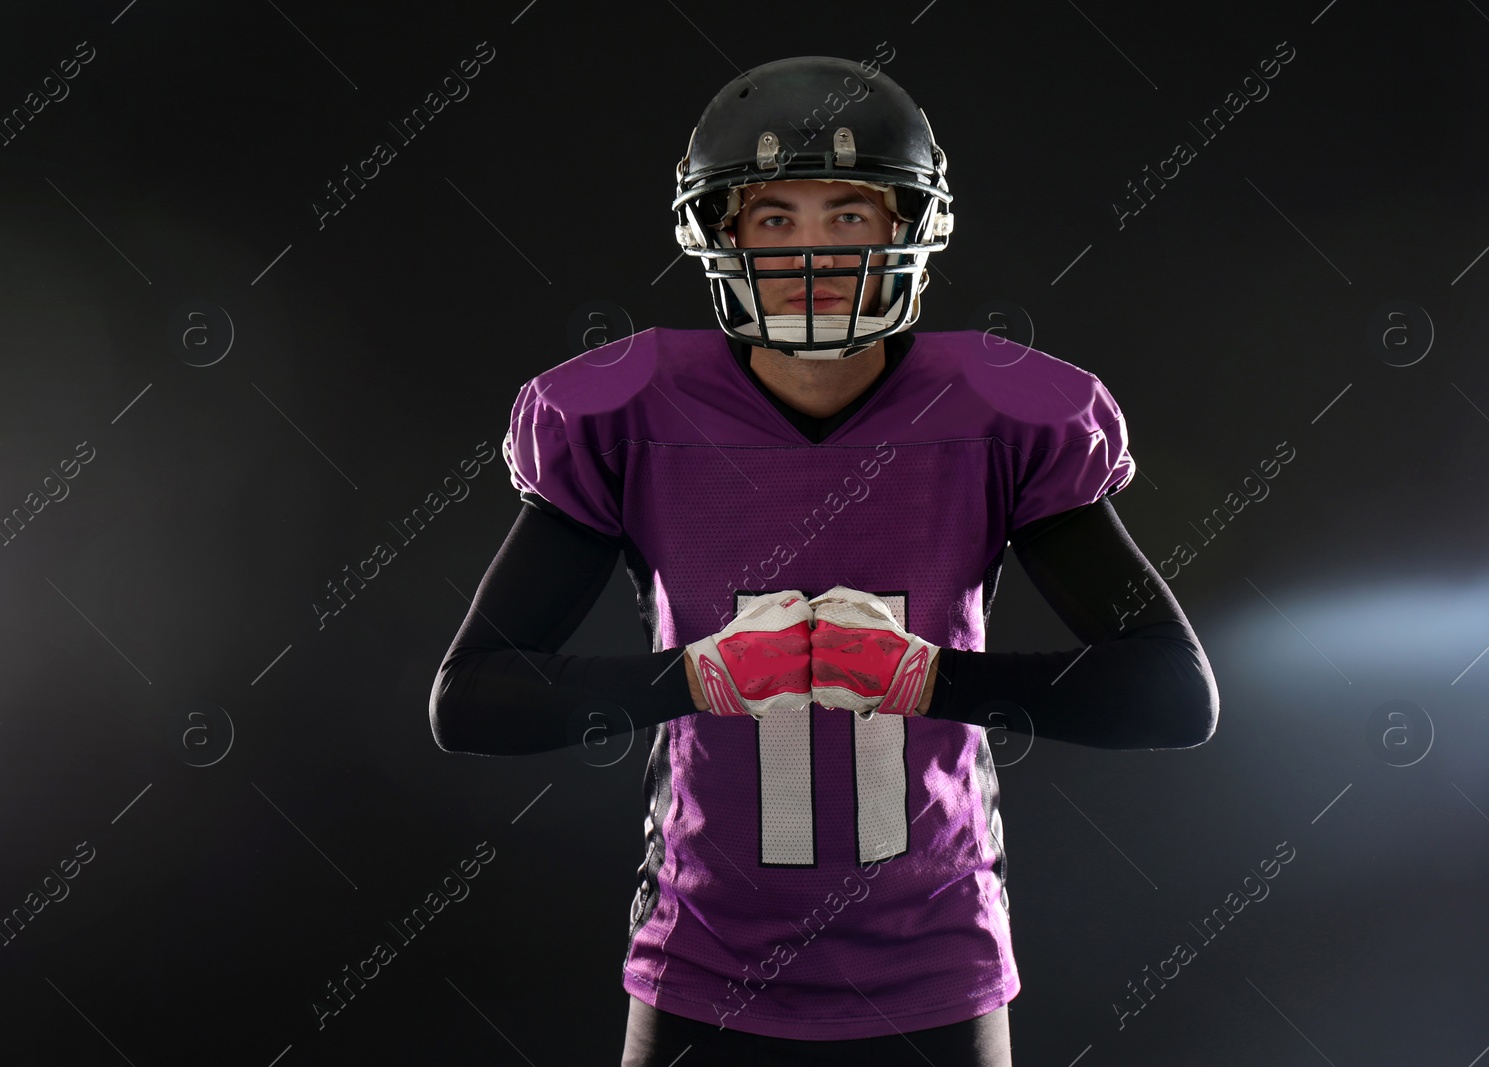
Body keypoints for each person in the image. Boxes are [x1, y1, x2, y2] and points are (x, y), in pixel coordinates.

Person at [430, 55, 1219, 1067]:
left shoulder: (998, 412)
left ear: (908, 228)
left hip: (936, 969)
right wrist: (696, 678)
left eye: (848, 215)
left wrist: (929, 675)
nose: (813, 250)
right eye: (774, 218)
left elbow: (1169, 693)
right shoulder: (629, 415)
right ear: (719, 235)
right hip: (701, 971)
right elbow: (473, 699)